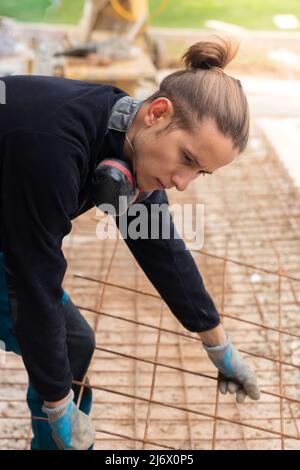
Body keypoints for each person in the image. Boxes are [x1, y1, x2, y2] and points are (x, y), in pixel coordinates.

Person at [0, 37, 260, 451]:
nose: (182, 182)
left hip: (10, 224)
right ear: (158, 113)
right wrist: (58, 403)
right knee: (57, 340)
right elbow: (33, 281)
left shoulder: (129, 137)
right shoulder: (52, 147)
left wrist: (218, 343)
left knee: (70, 343)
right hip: (13, 228)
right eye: (187, 159)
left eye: (200, 173)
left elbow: (160, 245)